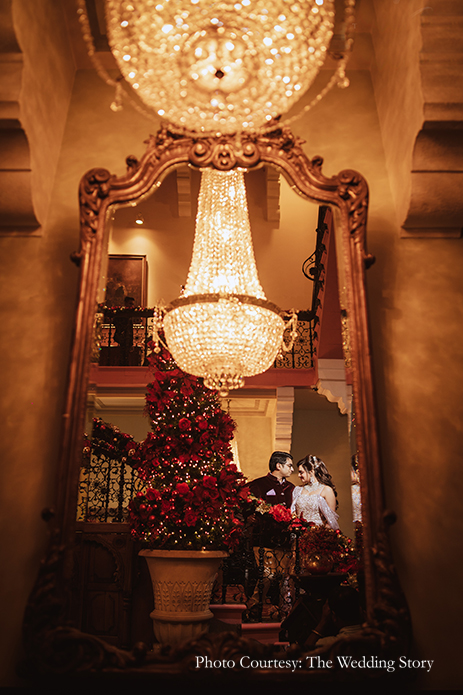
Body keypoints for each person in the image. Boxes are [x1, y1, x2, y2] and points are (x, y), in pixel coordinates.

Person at [291, 454, 339, 529]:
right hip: (299, 532)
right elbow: (293, 514)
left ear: (311, 471)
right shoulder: (297, 490)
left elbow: (331, 521)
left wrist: (318, 534)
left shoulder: (326, 490)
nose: (299, 475)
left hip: (318, 534)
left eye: (301, 472)